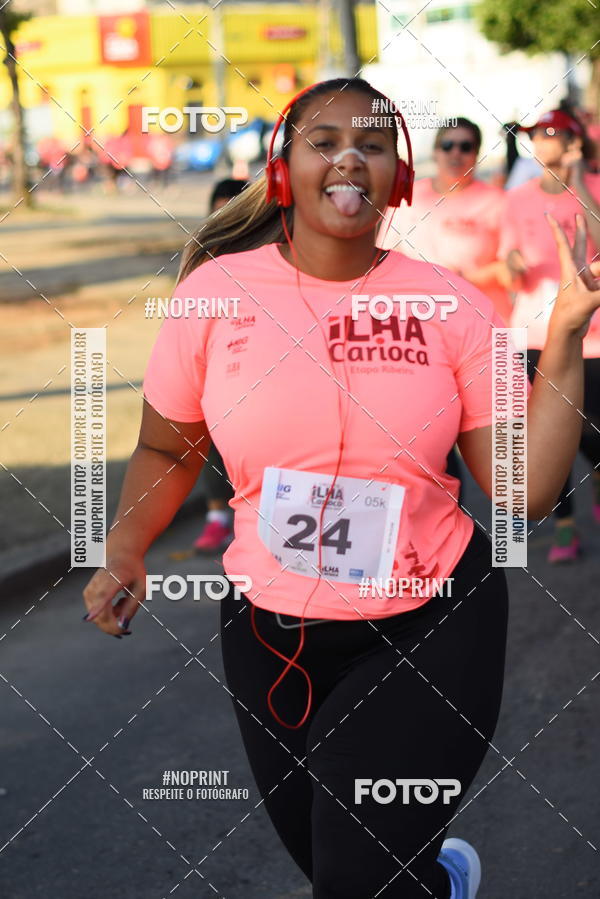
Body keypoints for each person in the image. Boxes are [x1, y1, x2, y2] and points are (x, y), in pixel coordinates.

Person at [82, 79, 600, 899]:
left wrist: (566, 339)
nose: (349, 156)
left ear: (399, 177)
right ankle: (440, 882)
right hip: (272, 633)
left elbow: (525, 490)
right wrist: (124, 549)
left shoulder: (453, 306)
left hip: (431, 621)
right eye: (324, 140)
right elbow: (163, 446)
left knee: (354, 879)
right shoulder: (215, 297)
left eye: (373, 143)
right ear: (285, 168)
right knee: (341, 867)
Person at [499, 108, 600, 562]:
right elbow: (507, 259)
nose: (541, 142)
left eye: (552, 134)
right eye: (536, 135)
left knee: (592, 432)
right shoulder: (516, 199)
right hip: (534, 332)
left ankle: (595, 474)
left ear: (574, 142)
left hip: (591, 333)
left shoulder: (593, 188)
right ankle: (563, 525)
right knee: (548, 433)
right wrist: (512, 265)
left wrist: (579, 180)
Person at [378, 117, 512, 323]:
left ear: (476, 154)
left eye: (465, 147)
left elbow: (514, 269)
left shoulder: (498, 201)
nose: (456, 153)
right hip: (422, 320)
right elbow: (383, 260)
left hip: (488, 320)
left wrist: (468, 279)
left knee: (508, 357)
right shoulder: (408, 197)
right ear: (435, 152)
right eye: (447, 146)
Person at [192, 177, 249, 553]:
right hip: (216, 368)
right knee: (210, 443)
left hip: (258, 372)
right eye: (220, 211)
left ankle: (251, 517)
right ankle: (217, 518)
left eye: (235, 212)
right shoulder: (201, 260)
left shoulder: (275, 257)